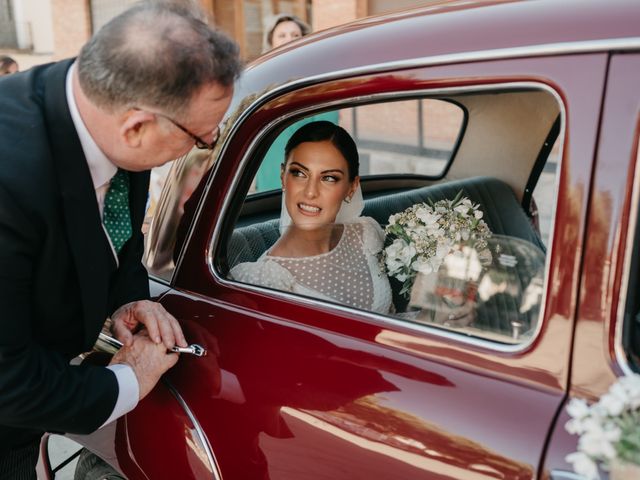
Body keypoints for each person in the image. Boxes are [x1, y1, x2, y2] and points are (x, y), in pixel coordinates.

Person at [0, 1, 242, 477]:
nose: (205, 144)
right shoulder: (10, 182)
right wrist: (130, 379)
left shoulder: (101, 110)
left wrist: (131, 298)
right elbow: (8, 381)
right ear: (136, 126)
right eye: (201, 138)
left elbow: (119, 238)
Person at [231, 121, 392, 314]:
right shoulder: (264, 278)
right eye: (299, 173)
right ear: (283, 176)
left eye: (329, 178)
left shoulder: (365, 234)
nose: (310, 192)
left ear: (352, 187)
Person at [256, 13, 339, 192]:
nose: (289, 40)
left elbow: (327, 131)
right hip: (267, 177)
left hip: (305, 179)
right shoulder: (261, 84)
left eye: (295, 35)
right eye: (282, 35)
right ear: (271, 43)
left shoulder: (318, 81)